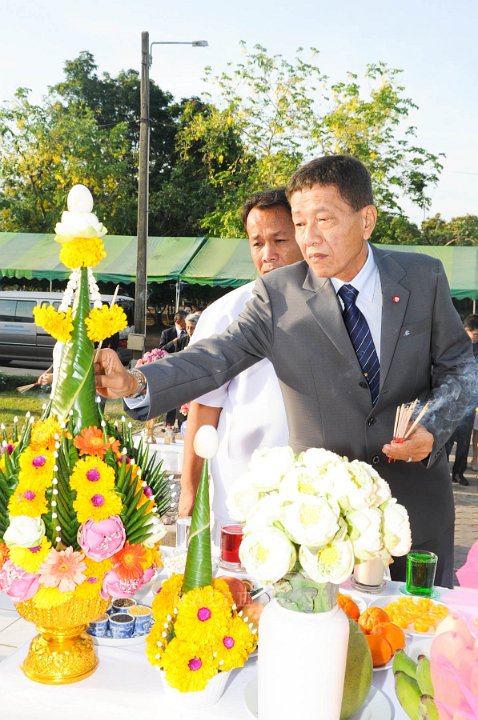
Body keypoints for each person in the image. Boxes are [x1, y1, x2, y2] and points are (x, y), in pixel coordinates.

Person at [95, 154, 476, 588]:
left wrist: (432, 425)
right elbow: (216, 355)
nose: (309, 239)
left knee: (420, 643)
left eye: (324, 220)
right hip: (322, 525)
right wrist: (138, 382)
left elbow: (461, 368)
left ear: (366, 219)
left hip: (414, 511)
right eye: (299, 223)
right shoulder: (278, 295)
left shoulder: (422, 277)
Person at [178, 188, 304, 537]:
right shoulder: (225, 314)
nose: (268, 254)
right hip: (240, 497)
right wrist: (189, 491)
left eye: (280, 240)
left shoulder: (336, 310)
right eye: (257, 242)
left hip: (309, 502)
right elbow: (203, 411)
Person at [445, 314, 478, 485]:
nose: (475, 337)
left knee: (464, 441)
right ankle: (442, 472)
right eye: (474, 333)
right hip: (451, 401)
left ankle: (459, 473)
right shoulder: (453, 346)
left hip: (470, 402)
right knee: (447, 439)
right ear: (465, 330)